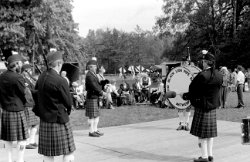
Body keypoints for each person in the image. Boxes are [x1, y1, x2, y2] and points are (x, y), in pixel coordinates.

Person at [34, 50, 75, 162]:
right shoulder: (61, 80)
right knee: (68, 151)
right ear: (58, 63)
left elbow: (35, 94)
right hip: (59, 119)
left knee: (47, 154)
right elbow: (68, 102)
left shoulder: (41, 77)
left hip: (45, 119)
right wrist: (68, 111)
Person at [183, 52, 223, 162]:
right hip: (213, 107)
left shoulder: (202, 75)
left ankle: (204, 157)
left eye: (203, 61)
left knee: (202, 134)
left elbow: (193, 90)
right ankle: (210, 155)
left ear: (206, 62)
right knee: (210, 134)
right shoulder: (219, 75)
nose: (202, 63)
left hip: (202, 107)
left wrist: (185, 96)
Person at [0, 54, 28, 162]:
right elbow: (24, 93)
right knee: (22, 138)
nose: (21, 65)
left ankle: (9, 160)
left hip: (6, 109)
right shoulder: (18, 77)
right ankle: (20, 160)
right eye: (20, 63)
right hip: (18, 109)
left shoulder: (1, 76)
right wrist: (24, 102)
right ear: (16, 64)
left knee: (8, 138)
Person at [85, 60, 107, 137]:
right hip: (91, 97)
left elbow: (97, 85)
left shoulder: (93, 74)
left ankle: (95, 130)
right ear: (90, 67)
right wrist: (102, 92)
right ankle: (91, 131)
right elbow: (94, 86)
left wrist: (103, 84)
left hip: (95, 96)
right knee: (92, 115)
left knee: (96, 115)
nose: (96, 68)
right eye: (94, 67)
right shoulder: (89, 75)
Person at [21, 64, 39, 149]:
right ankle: (27, 143)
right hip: (27, 103)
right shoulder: (22, 79)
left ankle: (32, 141)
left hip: (32, 103)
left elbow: (34, 89)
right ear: (24, 71)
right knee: (28, 124)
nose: (30, 72)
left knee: (35, 124)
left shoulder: (29, 79)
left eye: (30, 70)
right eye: (28, 71)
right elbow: (29, 91)